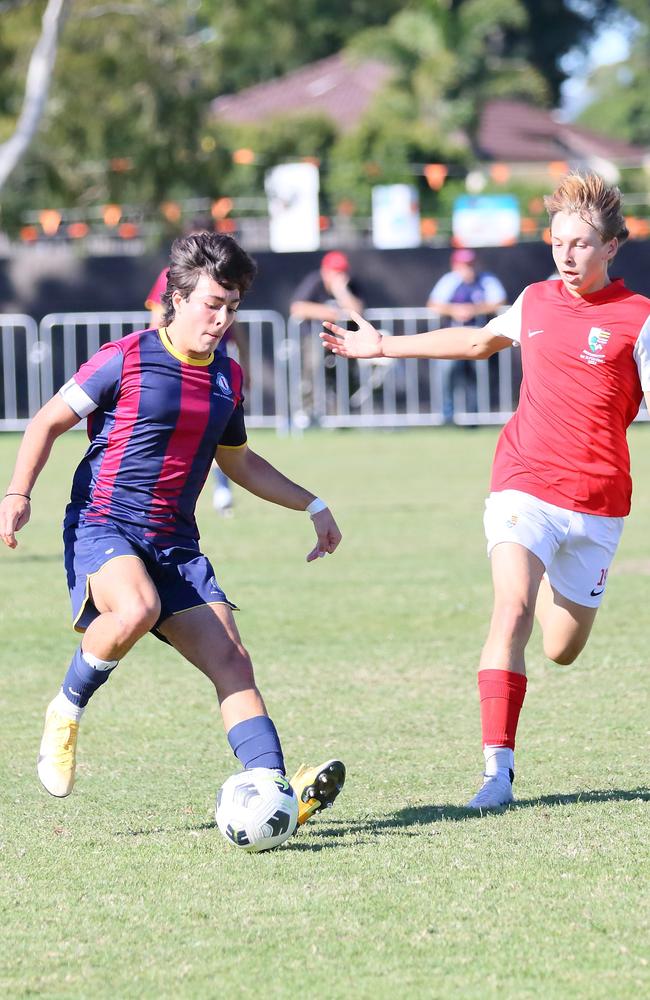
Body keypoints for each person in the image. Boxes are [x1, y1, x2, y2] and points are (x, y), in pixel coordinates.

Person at [321, 172, 650, 809]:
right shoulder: (534, 299)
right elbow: (475, 341)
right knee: (512, 610)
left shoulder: (639, 319)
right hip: (523, 484)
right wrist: (383, 344)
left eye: (581, 244)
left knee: (561, 649)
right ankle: (496, 772)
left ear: (611, 247)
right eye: (558, 242)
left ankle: (562, 586)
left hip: (598, 505)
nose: (566, 254)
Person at [0, 232, 345, 828]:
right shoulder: (125, 357)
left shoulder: (227, 378)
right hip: (103, 523)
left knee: (233, 664)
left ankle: (271, 789)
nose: (221, 318)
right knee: (134, 608)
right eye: (212, 304)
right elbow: (47, 422)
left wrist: (312, 504)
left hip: (175, 543)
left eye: (232, 307)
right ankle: (66, 709)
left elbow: (237, 461)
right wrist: (17, 493)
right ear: (178, 296)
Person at [427, 248, 507, 424]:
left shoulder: (487, 279)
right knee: (446, 373)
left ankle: (476, 416)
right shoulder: (449, 281)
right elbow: (433, 304)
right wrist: (454, 310)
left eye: (470, 264)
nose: (467, 269)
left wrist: (475, 309)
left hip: (481, 338)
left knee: (480, 376)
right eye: (463, 265)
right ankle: (446, 416)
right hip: (453, 338)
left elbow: (499, 301)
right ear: (455, 266)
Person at [290, 251, 365, 423]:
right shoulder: (314, 282)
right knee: (313, 365)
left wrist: (342, 292)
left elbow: (357, 311)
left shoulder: (351, 286)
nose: (339, 276)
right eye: (335, 272)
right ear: (325, 271)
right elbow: (298, 307)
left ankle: (341, 413)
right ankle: (307, 412)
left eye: (342, 272)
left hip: (343, 340)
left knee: (347, 373)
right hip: (316, 337)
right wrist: (335, 313)